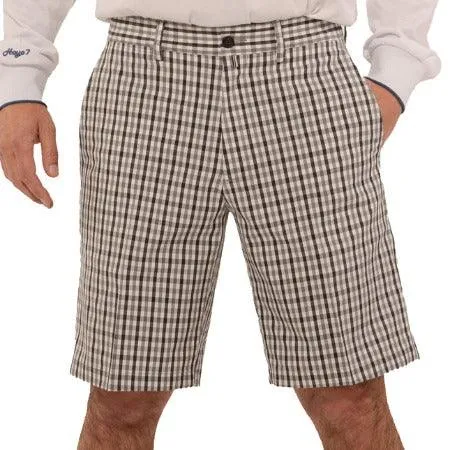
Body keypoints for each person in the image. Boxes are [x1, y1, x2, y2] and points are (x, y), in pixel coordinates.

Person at [0, 1, 440, 449]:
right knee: (122, 397)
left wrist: (396, 69)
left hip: (304, 74)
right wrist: (20, 76)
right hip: (145, 81)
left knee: (349, 395)